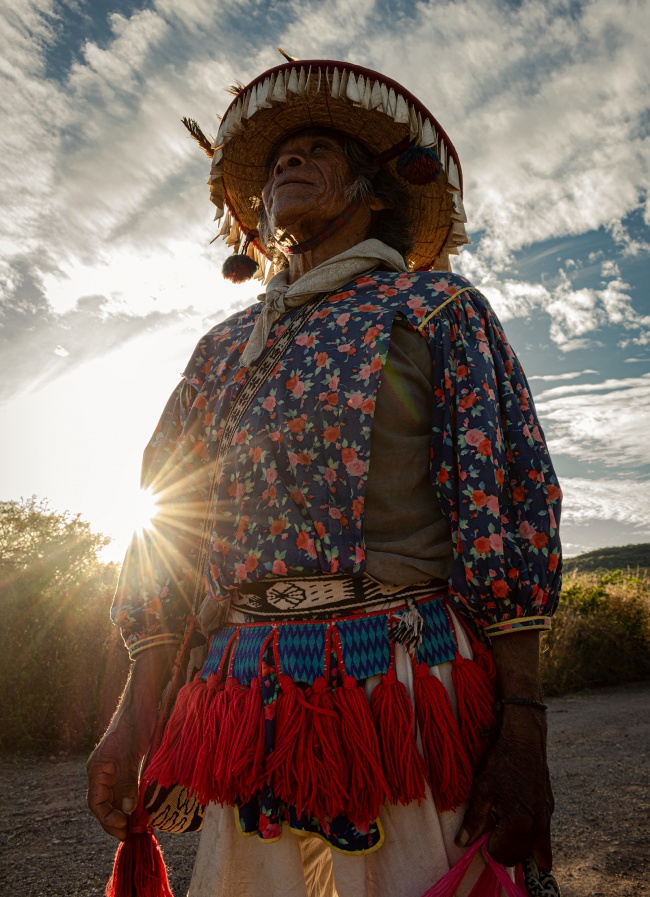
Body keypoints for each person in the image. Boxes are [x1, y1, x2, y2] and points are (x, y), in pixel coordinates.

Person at [87, 57, 562, 897]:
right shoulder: (221, 351)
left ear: (377, 193)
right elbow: (165, 536)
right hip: (243, 694)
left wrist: (523, 725)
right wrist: (135, 710)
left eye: (315, 150)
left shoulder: (436, 311)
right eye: (277, 161)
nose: (286, 165)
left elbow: (506, 507)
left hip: (402, 691)